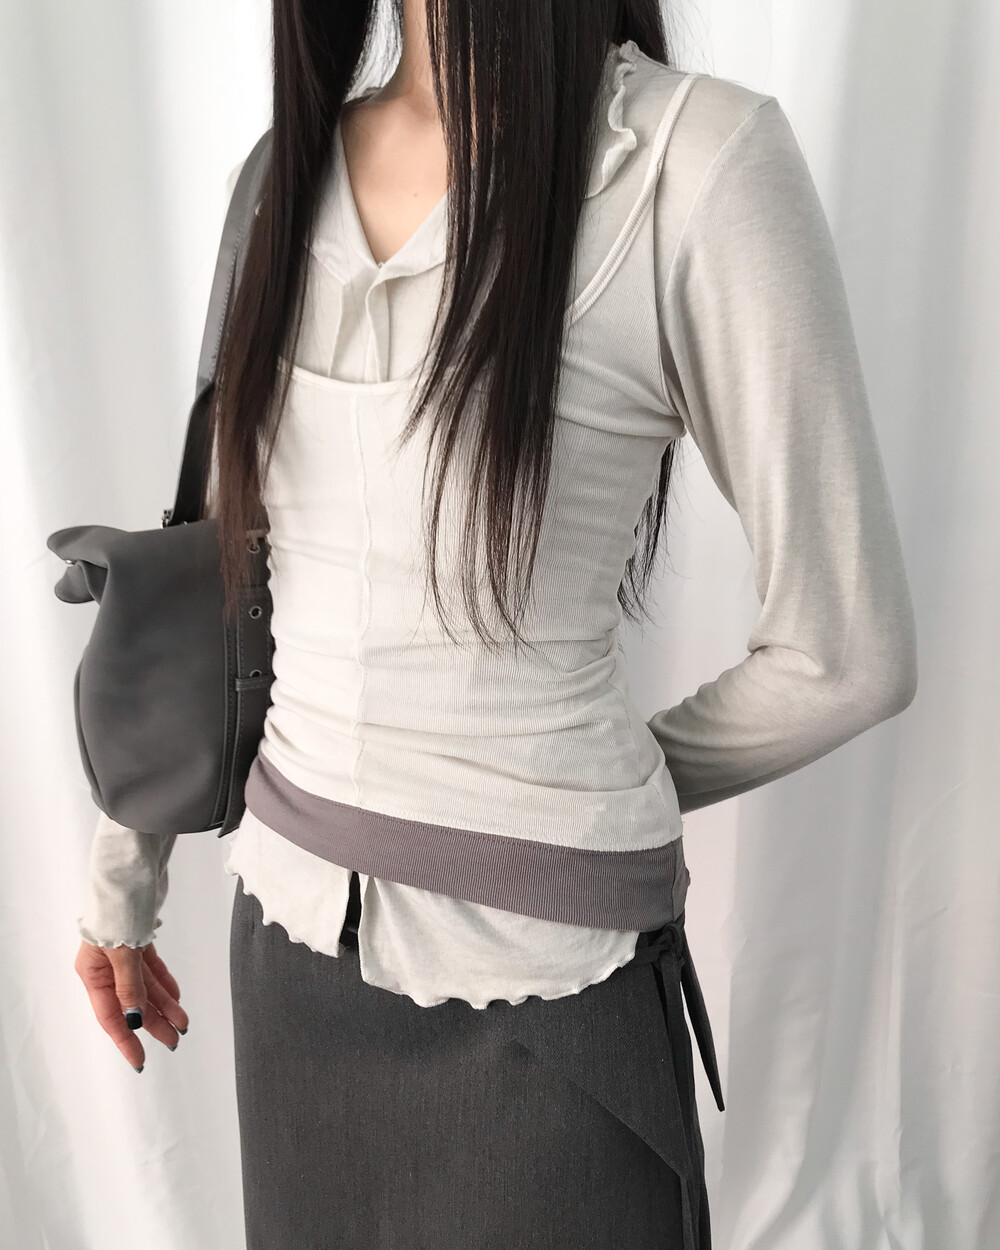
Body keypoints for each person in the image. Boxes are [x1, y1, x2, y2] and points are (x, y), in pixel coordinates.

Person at [72, 2, 918, 1247]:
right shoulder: (277, 178)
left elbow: (848, 651)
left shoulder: (691, 163)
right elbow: (208, 569)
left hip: (549, 991)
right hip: (291, 956)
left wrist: (579, 789)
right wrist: (119, 883)